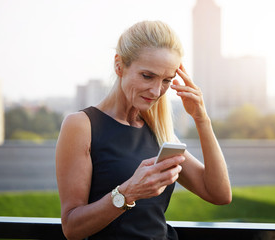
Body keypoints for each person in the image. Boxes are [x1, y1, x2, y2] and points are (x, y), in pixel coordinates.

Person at [55, 20, 232, 240]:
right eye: (147, 76)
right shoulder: (81, 125)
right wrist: (128, 192)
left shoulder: (158, 130)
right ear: (119, 65)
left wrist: (201, 119)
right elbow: (72, 227)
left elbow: (219, 193)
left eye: (167, 80)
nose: (157, 90)